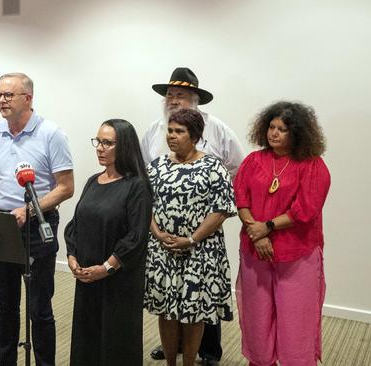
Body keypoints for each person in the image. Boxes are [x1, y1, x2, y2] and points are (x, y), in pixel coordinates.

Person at [141, 67, 244, 365]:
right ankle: (173, 349)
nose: (174, 100)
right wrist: (158, 231)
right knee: (168, 304)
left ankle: (207, 353)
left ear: (195, 99)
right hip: (163, 241)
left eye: (181, 95)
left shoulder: (218, 129)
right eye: (170, 95)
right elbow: (145, 182)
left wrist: (198, 224)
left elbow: (237, 167)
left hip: (200, 242)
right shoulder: (154, 129)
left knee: (200, 305)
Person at [0, 72, 74, 366]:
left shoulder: (51, 133)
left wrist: (29, 209)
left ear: (28, 98)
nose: (2, 101)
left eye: (9, 95)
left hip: (38, 227)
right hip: (3, 227)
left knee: (39, 308)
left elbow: (66, 187)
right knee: (6, 306)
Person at [234, 101, 330, 366]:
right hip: (256, 252)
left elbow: (306, 210)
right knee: (258, 319)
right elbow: (241, 199)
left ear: (297, 133)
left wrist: (267, 227)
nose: (273, 133)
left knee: (295, 321)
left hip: (296, 256)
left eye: (282, 129)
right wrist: (259, 233)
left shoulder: (312, 166)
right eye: (271, 127)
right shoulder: (253, 161)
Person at [64, 119, 151, 366]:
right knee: (87, 338)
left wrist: (106, 268)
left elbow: (135, 237)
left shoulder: (137, 186)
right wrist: (72, 258)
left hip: (118, 280)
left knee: (115, 341)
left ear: (124, 146)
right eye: (98, 142)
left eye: (108, 143)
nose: (100, 148)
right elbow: (75, 225)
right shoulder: (93, 181)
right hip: (87, 277)